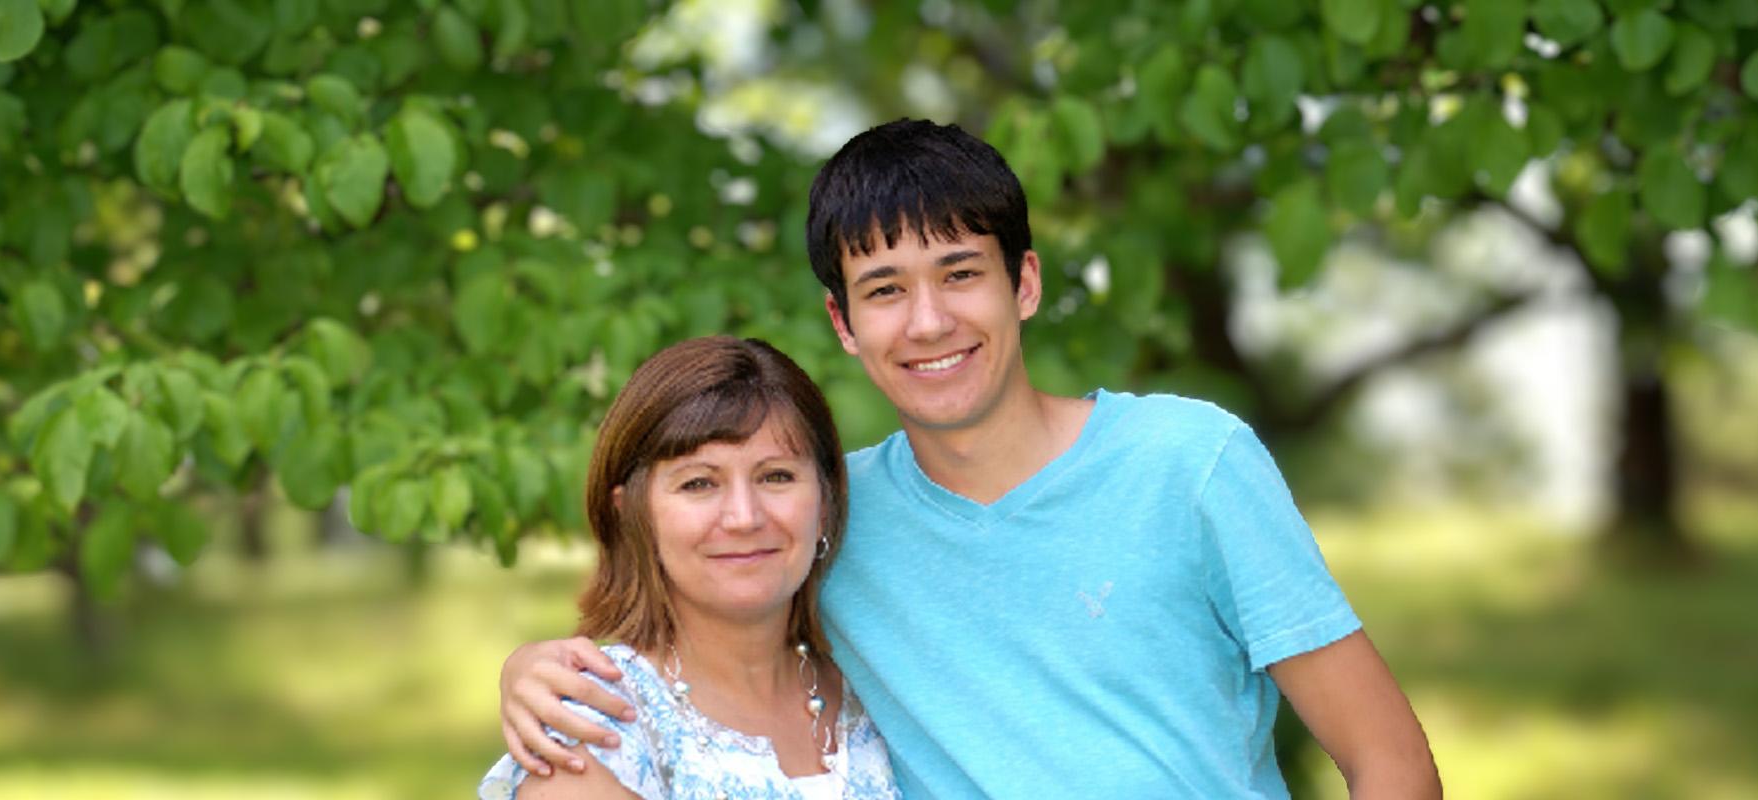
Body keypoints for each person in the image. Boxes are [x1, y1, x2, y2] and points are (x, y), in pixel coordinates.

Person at [499, 120, 1440, 798]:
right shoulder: (827, 515)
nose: (929, 322)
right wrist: (534, 668)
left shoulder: (1191, 463)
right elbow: (700, 616)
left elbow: (1390, 763)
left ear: (1023, 283)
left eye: (960, 274)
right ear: (844, 323)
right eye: (884, 289)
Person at [479, 336, 901, 799]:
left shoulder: (880, 693)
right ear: (632, 514)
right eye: (699, 483)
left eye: (776, 476)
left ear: (824, 504)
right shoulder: (595, 732)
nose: (744, 517)